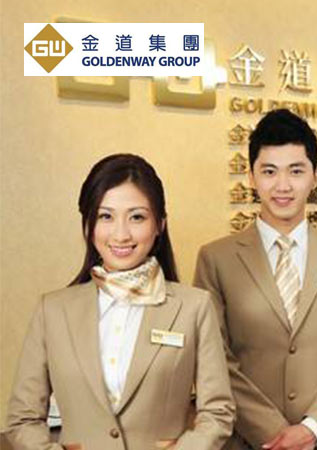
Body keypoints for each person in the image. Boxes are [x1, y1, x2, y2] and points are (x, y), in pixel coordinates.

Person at [5, 154, 235, 449]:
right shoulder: (53, 311)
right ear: (88, 225)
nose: (121, 234)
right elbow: (23, 419)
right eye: (106, 216)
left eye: (137, 217)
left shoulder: (195, 308)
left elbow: (218, 412)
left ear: (159, 224)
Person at [194, 109, 317, 450]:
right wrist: (277, 435)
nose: (282, 185)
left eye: (296, 171)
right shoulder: (215, 259)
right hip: (250, 441)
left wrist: (312, 429)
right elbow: (215, 362)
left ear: (315, 176)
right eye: (269, 171)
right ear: (251, 177)